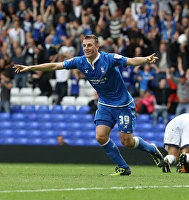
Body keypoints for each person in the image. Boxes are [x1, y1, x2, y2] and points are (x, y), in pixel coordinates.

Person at [13, 34, 164, 176]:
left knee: (127, 142)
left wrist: (146, 59)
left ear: (97, 47)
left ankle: (152, 150)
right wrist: (30, 68)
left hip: (123, 105)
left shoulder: (109, 58)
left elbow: (130, 61)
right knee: (100, 136)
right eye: (84, 45)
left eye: (89, 45)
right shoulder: (80, 62)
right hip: (105, 104)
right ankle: (123, 167)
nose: (86, 48)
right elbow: (55, 66)